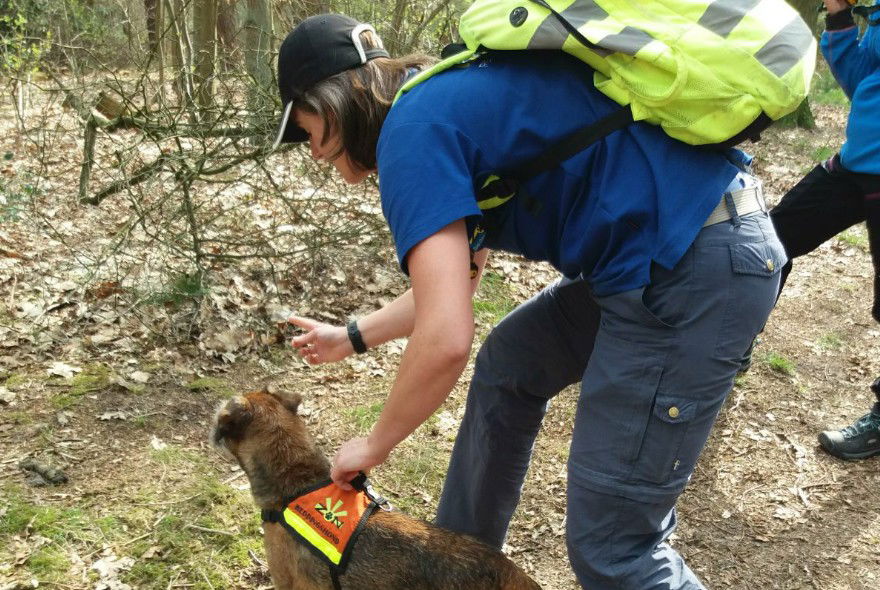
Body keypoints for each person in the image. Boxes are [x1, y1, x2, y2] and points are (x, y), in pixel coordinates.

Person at [276, 13, 785, 589]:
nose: (311, 152)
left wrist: (374, 443)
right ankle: (458, 568)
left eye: (303, 128)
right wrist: (352, 335)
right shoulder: (444, 101)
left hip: (690, 271)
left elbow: (444, 338)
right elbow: (453, 286)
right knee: (512, 362)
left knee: (615, 549)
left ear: (333, 100)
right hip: (664, 253)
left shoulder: (412, 135)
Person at [769, 0, 880, 460]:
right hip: (856, 164)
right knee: (770, 242)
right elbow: (863, 82)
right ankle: (727, 344)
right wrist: (839, 16)